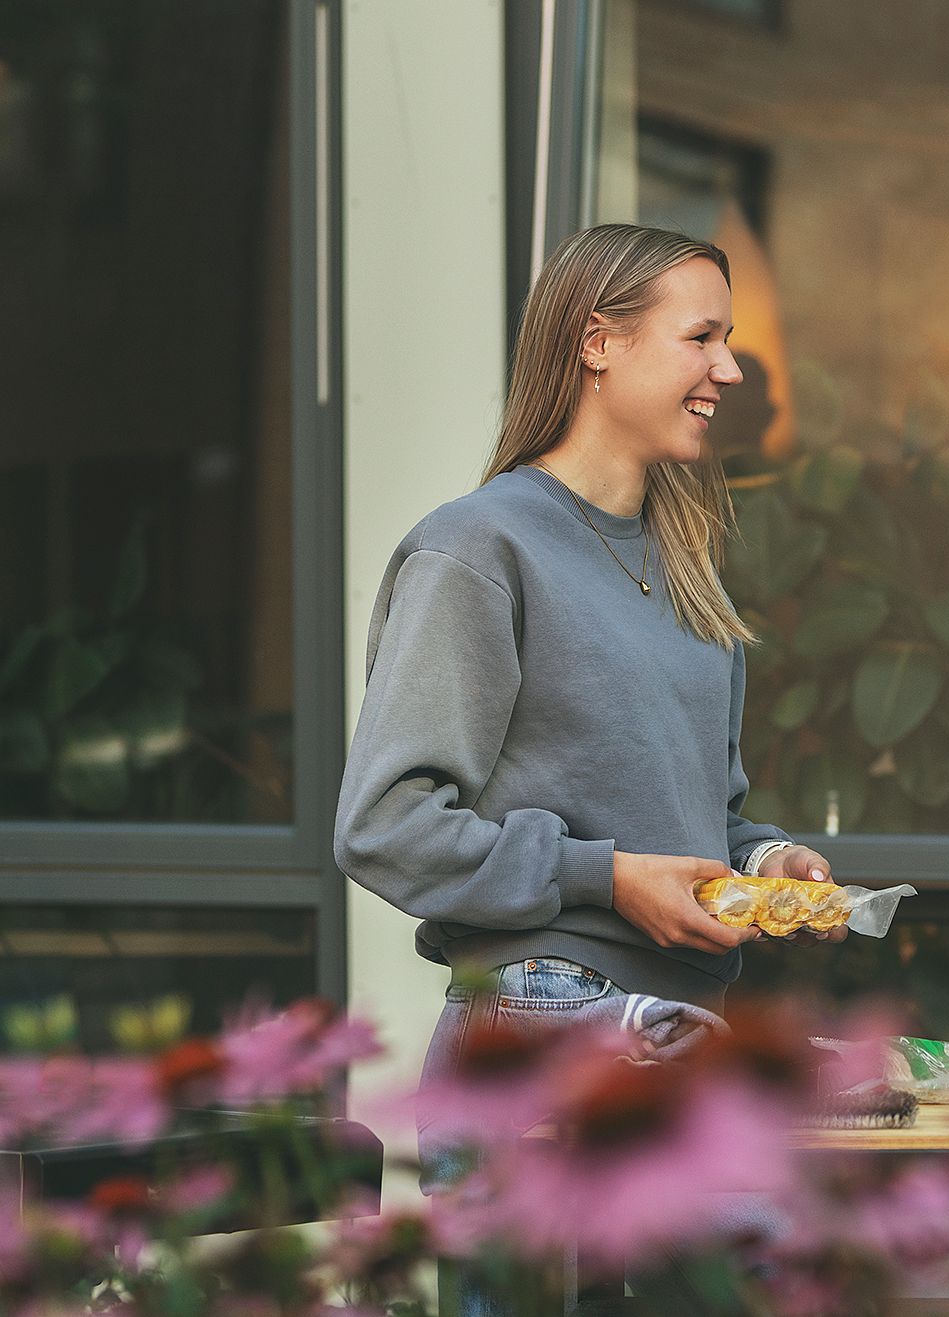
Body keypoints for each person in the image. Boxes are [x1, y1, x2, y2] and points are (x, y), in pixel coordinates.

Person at [334, 222, 832, 1311]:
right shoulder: (479, 549)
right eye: (702, 337)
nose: (729, 370)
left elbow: (704, 817)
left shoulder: (685, 568)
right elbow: (385, 823)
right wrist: (607, 879)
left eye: (728, 341)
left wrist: (766, 861)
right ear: (598, 341)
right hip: (543, 1024)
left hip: (684, 1031)